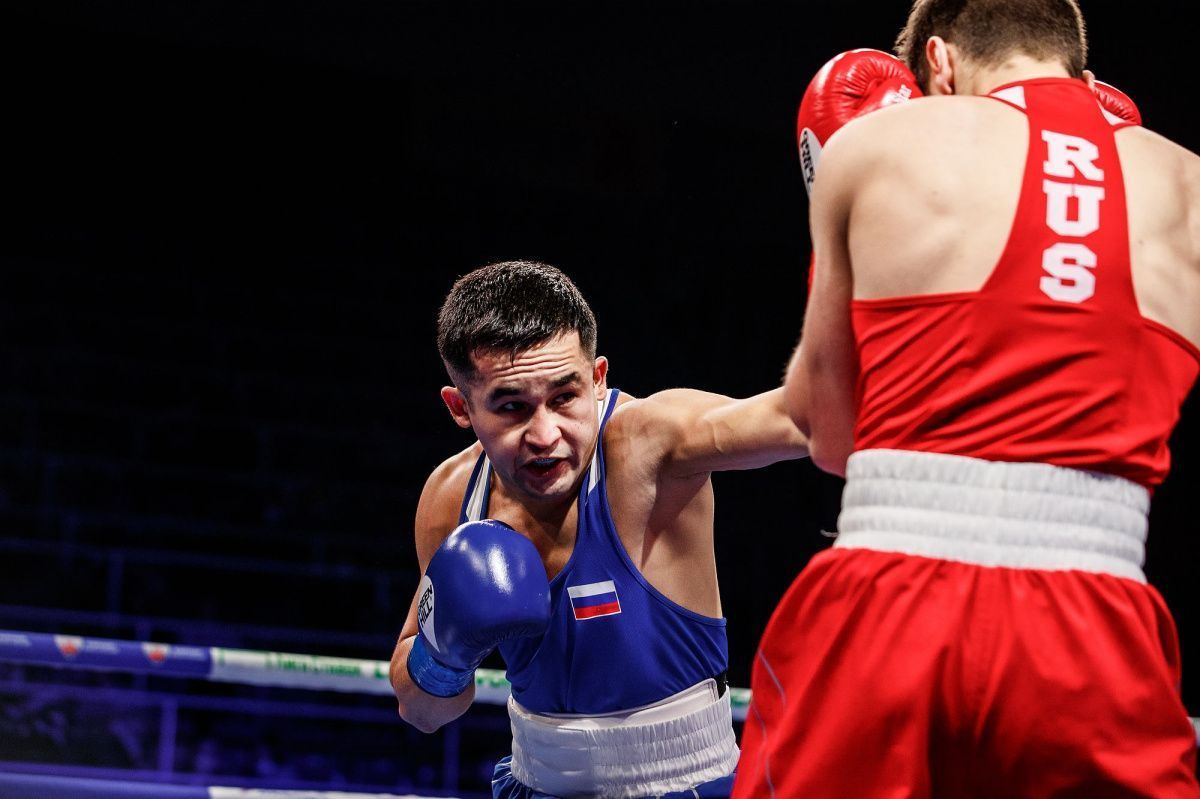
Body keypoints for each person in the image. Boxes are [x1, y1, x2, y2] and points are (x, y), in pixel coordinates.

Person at [735, 1, 1200, 796]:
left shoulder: (876, 143)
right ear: (1084, 77)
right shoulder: (1187, 183)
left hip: (890, 594)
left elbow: (830, 436)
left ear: (939, 64)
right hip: (1095, 618)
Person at [388, 260, 808, 799]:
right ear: (461, 407)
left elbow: (798, 419)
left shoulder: (650, 444)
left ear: (597, 378)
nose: (545, 434)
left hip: (688, 781)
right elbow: (422, 712)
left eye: (564, 398)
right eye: (512, 407)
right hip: (533, 784)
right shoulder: (453, 499)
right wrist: (444, 654)